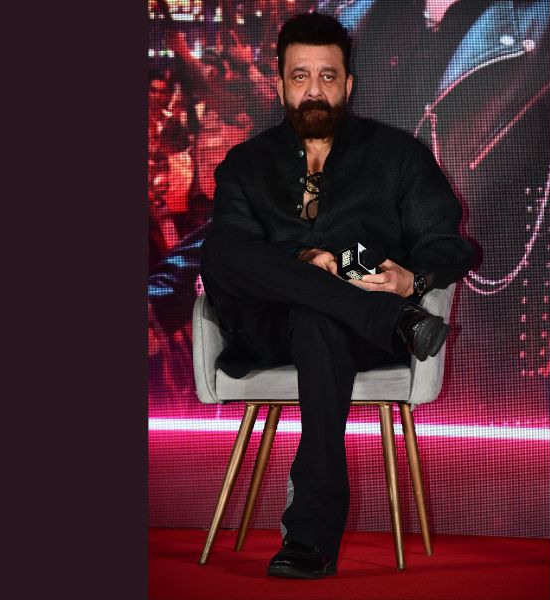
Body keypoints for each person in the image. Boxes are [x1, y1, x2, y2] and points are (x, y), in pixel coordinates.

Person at [199, 12, 474, 578]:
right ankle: (384, 317)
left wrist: (412, 282)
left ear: (348, 84)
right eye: (300, 76)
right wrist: (303, 262)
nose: (313, 90)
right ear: (280, 83)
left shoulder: (398, 157)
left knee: (320, 319)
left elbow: (449, 245)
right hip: (270, 328)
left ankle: (309, 537)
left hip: (349, 338)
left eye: (327, 76)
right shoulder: (244, 165)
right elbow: (232, 258)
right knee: (221, 248)